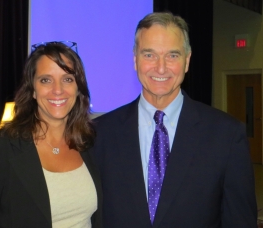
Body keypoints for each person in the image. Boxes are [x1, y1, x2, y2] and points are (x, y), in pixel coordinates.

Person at [91, 12, 257, 227]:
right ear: (135, 60)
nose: (161, 68)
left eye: (172, 55)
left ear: (187, 61)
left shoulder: (227, 135)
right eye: (149, 55)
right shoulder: (100, 133)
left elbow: (240, 221)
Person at [0, 42, 102, 228]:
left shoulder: (90, 143)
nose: (58, 90)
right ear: (32, 90)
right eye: (46, 80)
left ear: (78, 89)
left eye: (68, 79)